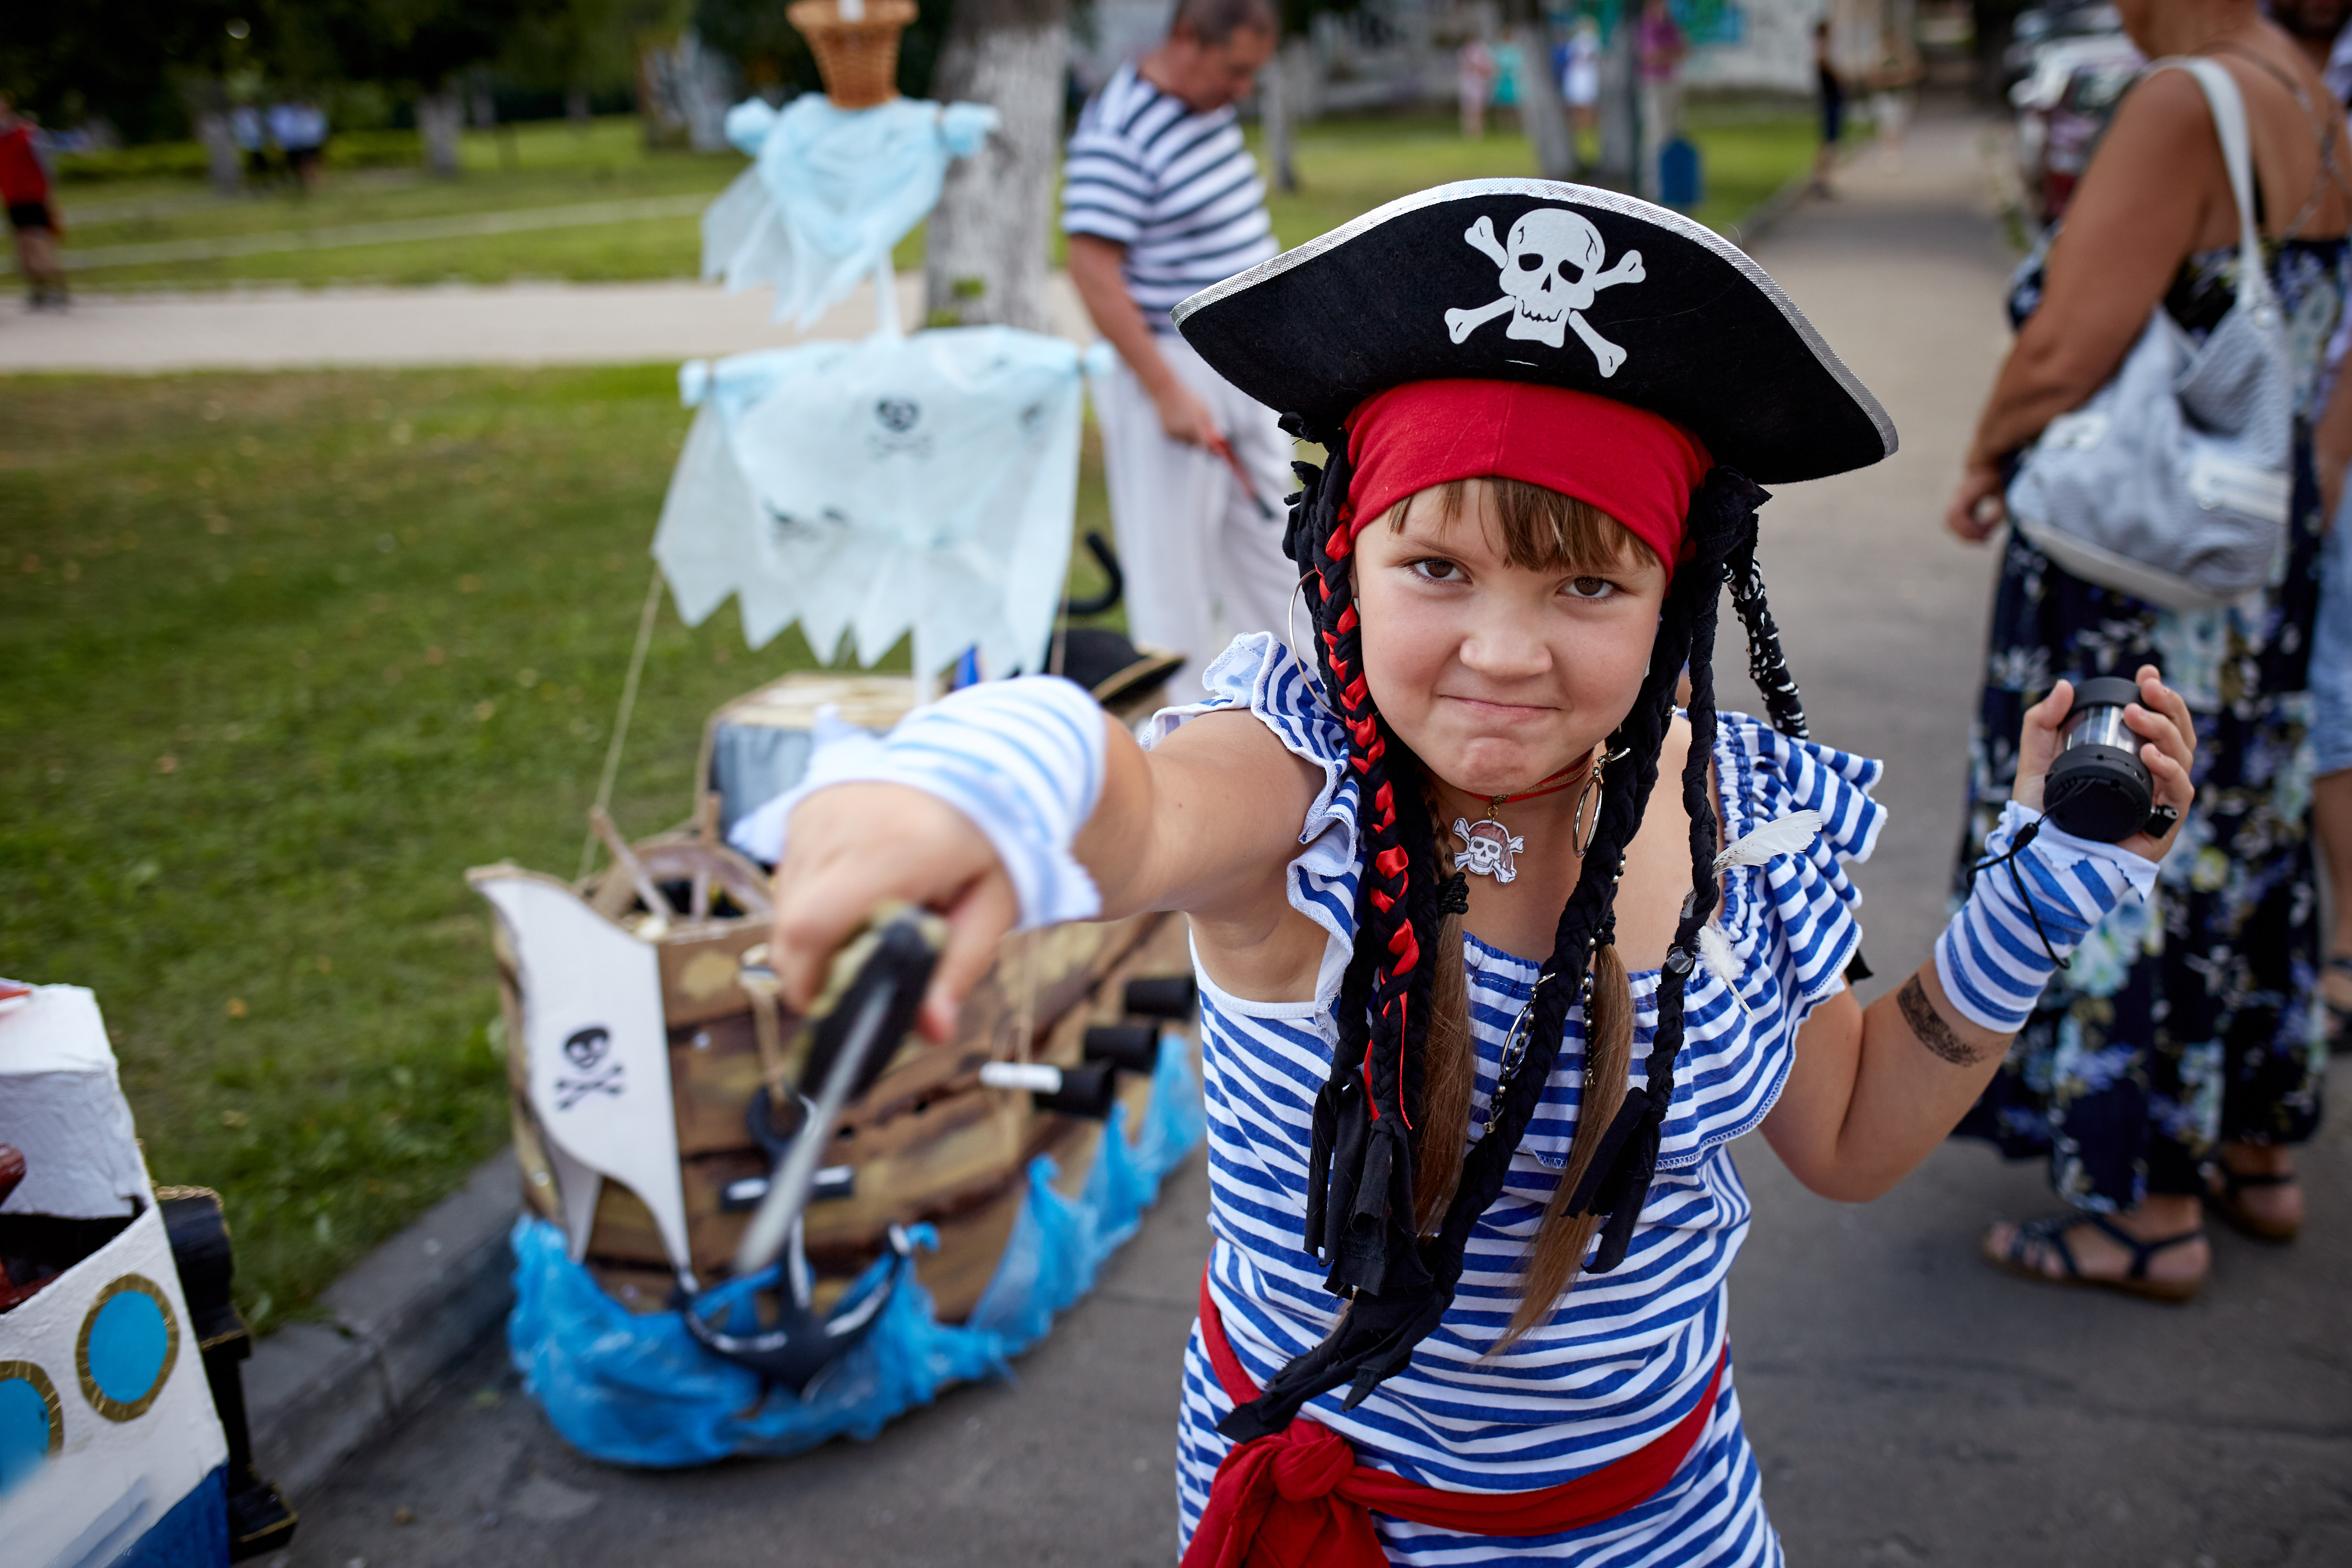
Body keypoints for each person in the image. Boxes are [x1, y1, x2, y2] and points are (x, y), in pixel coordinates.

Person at [762, 178, 2196, 1562]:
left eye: (1587, 582)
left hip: (1667, 1517)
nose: (1504, 654)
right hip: (1345, 1539)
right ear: (1343, 560)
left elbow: (1855, 1132)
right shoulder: (1301, 782)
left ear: (1676, 594)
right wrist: (966, 782)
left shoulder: (1730, 802)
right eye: (1436, 569)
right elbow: (1132, 799)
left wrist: (2042, 892)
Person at [1944, 0, 2349, 1288]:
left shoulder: (2186, 99)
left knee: (2116, 826)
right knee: (2239, 835)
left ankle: (2149, 1208)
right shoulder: (2313, 100)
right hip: (2249, 555)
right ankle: (2248, 1153)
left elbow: (2070, 338)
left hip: (2134, 573)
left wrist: (1984, 454)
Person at [1061, 0, 1290, 705]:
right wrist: (1165, 392)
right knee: (1175, 581)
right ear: (1187, 38)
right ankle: (1193, 747)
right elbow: (1091, 271)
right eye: (1235, 70)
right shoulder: (1120, 132)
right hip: (1175, 365)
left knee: (1279, 548)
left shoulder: (1206, 105)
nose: (1242, 90)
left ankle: (1299, 712)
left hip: (1244, 361)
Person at [2274, 0, 2352, 1056]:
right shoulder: (2300, 77)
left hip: (2315, 454)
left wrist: (2325, 466)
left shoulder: (2218, 89)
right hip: (2293, 451)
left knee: (2329, 698)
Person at [0, 95, 64, 311]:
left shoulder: (28, 134)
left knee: (41, 247)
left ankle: (58, 289)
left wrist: (50, 198)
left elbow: (47, 167)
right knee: (24, 252)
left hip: (35, 197)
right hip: (12, 200)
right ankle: (38, 291)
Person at [1637, 0, 1688, 202]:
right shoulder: (1645, 27)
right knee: (1656, 133)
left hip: (1669, 81)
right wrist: (1668, 53)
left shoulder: (1669, 25)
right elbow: (1650, 56)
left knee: (1672, 132)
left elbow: (1682, 50)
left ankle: (1670, 181)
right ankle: (1653, 184)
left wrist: (1665, 54)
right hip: (1653, 83)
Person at [1563, 16, 1603, 167]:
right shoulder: (1577, 41)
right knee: (1578, 103)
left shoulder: (1592, 40)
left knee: (1588, 102)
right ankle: (1580, 126)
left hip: (1587, 75)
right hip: (1578, 75)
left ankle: (1588, 126)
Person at [1812, 20, 1847, 196]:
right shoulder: (1822, 51)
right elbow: (1824, 65)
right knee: (1830, 143)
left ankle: (1821, 179)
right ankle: (1822, 180)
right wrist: (1839, 76)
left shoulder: (1823, 50)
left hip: (1832, 100)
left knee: (1830, 142)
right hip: (1831, 100)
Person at [1459, 36, 1499, 139]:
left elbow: (1488, 69)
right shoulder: (1465, 52)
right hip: (1470, 83)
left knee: (1478, 109)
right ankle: (1470, 131)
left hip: (1478, 83)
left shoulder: (1482, 51)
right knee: (1469, 109)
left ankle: (1477, 131)